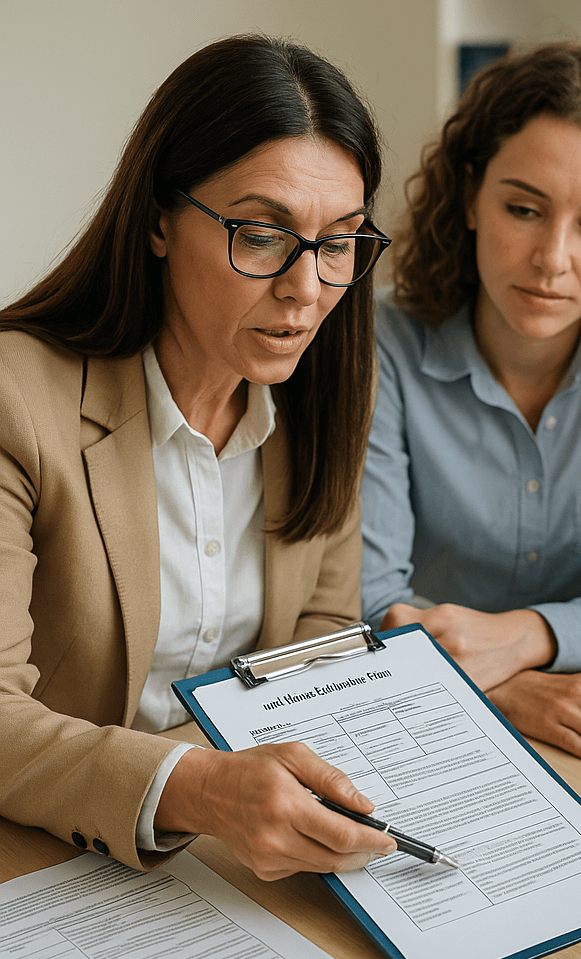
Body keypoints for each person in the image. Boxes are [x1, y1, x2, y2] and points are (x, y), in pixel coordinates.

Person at [0, 35, 400, 878]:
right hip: (43, 855)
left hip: (229, 864)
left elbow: (321, 643)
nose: (306, 289)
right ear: (156, 220)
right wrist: (203, 787)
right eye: (262, 234)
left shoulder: (319, 404)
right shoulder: (16, 401)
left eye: (340, 243)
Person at [359, 42, 581, 771]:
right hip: (404, 709)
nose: (553, 259)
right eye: (523, 209)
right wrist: (502, 689)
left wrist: (528, 640)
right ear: (469, 196)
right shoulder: (381, 340)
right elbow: (367, 600)